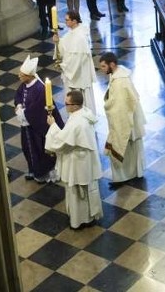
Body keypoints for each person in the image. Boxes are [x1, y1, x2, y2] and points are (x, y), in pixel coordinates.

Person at [45, 90, 103, 230]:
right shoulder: (84, 113)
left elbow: (61, 142)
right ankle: (89, 216)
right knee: (85, 190)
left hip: (77, 162)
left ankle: (79, 220)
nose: (65, 106)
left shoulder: (77, 123)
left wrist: (52, 125)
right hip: (84, 160)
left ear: (75, 105)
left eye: (67, 104)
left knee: (77, 192)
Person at [99, 52, 146, 188]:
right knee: (129, 149)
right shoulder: (117, 75)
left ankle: (125, 177)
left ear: (112, 65)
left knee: (126, 147)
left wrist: (108, 105)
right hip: (127, 117)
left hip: (127, 119)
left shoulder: (120, 81)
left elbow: (119, 106)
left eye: (103, 66)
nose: (102, 70)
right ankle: (130, 174)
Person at [16, 56, 64, 183]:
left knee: (39, 149)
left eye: (22, 74)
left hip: (37, 128)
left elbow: (37, 109)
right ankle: (33, 170)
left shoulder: (40, 89)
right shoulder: (24, 85)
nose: (19, 76)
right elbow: (19, 95)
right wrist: (19, 105)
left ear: (30, 76)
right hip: (27, 126)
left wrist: (24, 113)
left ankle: (43, 173)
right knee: (27, 148)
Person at [55, 11, 96, 115]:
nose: (65, 22)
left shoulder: (80, 37)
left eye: (67, 20)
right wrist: (57, 42)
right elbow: (64, 47)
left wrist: (64, 66)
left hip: (78, 76)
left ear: (74, 21)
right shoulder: (72, 33)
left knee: (80, 101)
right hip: (73, 74)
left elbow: (77, 59)